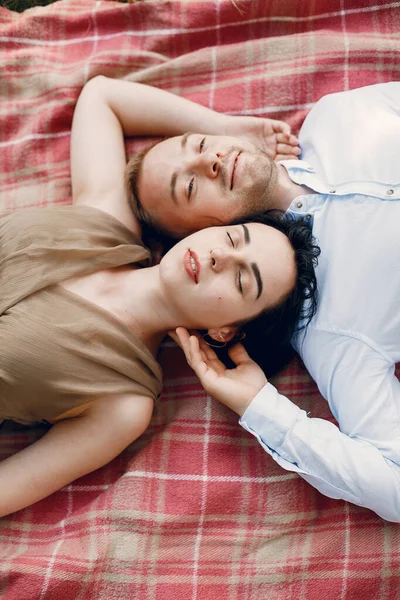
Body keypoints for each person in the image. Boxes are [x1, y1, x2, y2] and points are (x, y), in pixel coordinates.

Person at [0, 78, 319, 518]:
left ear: (225, 330)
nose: (217, 257)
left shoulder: (123, 404)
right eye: (231, 237)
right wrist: (222, 126)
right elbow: (102, 96)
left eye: (242, 280)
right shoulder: (106, 219)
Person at [123, 80, 400, 522]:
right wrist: (263, 408)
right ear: (193, 240)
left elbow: (104, 95)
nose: (208, 160)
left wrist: (226, 124)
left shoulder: (335, 116)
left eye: (199, 143)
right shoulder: (329, 329)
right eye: (189, 187)